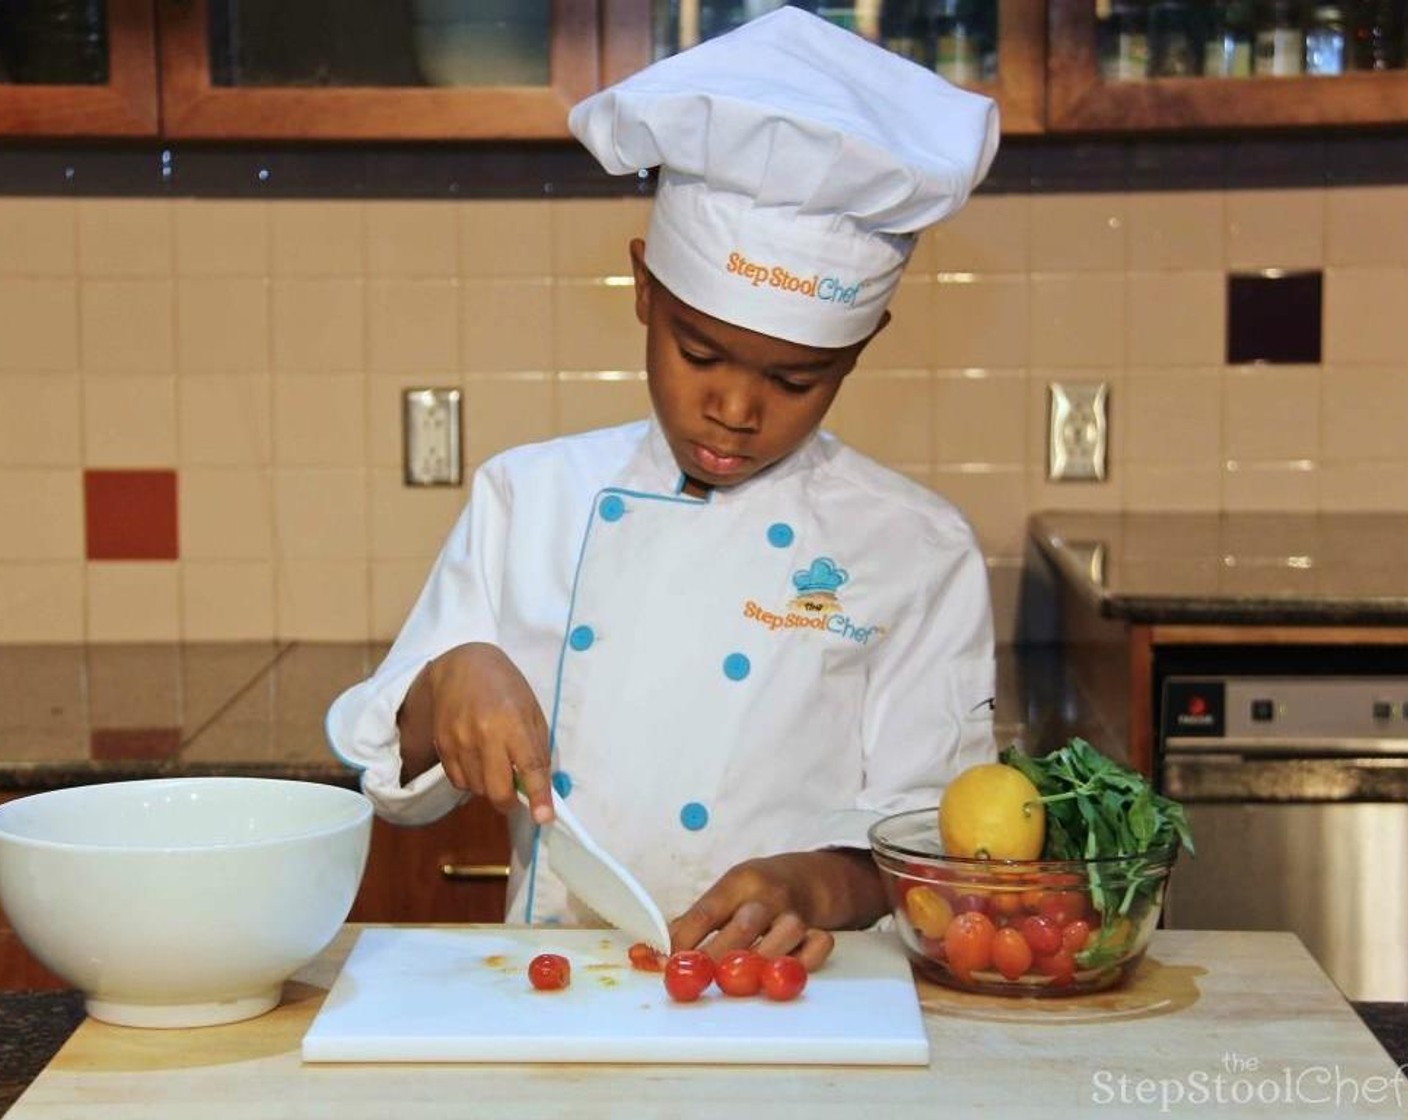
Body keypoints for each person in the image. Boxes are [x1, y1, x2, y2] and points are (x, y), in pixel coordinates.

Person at [327, 7, 1001, 971]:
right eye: (698, 352)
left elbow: (934, 845)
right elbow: (397, 777)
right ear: (644, 290)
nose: (735, 407)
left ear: (861, 349)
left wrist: (811, 884)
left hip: (802, 1002)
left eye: (794, 380)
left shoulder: (917, 550)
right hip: (558, 993)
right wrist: (447, 682)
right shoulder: (529, 499)